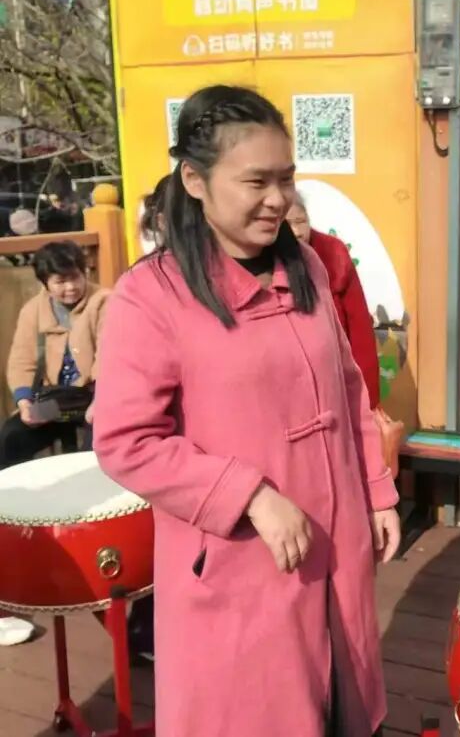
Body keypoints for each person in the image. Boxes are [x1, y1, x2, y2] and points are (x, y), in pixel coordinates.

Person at [92, 85, 400, 737]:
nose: (278, 199)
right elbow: (126, 441)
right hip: (239, 562)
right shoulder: (152, 296)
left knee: (339, 704)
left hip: (336, 544)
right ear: (195, 181)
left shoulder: (307, 265)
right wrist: (249, 494)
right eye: (256, 181)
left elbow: (348, 388)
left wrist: (376, 491)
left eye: (286, 178)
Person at [1, 241, 108, 468]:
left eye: (75, 278)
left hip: (97, 395)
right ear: (45, 284)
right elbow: (22, 359)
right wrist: (24, 402)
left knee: (95, 448)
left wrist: (100, 400)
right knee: (12, 436)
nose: (70, 287)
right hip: (56, 400)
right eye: (60, 281)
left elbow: (110, 356)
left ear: (85, 273)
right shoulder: (33, 309)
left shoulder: (105, 301)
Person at [285, 198, 381, 408]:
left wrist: (370, 401)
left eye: (301, 221)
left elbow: (359, 327)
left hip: (336, 376)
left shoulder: (332, 253)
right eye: (288, 224)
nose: (297, 232)